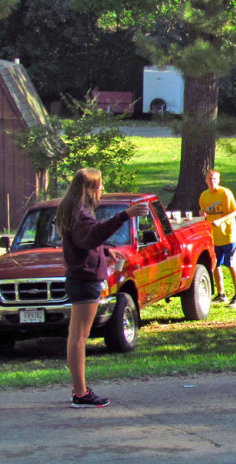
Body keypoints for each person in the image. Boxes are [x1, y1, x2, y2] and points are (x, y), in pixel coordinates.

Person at [57, 168, 148, 407]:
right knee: (79, 338)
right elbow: (91, 237)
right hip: (85, 281)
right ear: (89, 189)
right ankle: (80, 393)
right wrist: (125, 215)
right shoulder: (81, 215)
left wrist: (105, 252)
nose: (102, 190)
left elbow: (86, 242)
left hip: (80, 278)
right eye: (100, 186)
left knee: (75, 337)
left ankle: (79, 388)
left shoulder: (75, 212)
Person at [199, 169, 236, 308]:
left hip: (228, 235)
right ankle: (221, 294)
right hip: (213, 237)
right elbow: (204, 211)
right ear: (206, 180)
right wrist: (203, 214)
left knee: (231, 264)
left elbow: (234, 211)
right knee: (216, 265)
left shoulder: (225, 193)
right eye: (210, 179)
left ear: (218, 180)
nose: (212, 182)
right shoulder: (204, 196)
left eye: (215, 179)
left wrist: (221, 220)